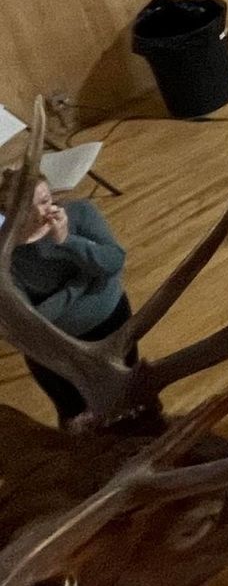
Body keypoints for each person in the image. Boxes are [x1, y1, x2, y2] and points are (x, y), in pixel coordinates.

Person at [4, 171, 128, 426]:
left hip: (110, 325)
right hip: (56, 347)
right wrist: (81, 283)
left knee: (127, 395)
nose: (47, 209)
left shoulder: (80, 213)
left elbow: (113, 260)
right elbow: (29, 320)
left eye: (47, 199)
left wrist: (67, 241)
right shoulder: (6, 254)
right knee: (78, 414)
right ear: (12, 211)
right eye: (35, 205)